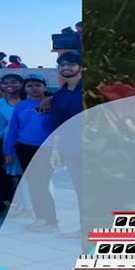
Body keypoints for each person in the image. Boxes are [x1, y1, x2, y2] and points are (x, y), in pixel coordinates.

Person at [3, 80, 56, 231]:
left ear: (45, 87)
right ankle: (41, 218)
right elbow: (13, 128)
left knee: (41, 183)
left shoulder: (53, 104)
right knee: (33, 183)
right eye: (30, 86)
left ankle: (49, 220)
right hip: (24, 147)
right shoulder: (21, 106)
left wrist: (51, 99)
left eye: (38, 85)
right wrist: (8, 150)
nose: (34, 88)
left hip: (46, 148)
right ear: (25, 89)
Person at [49, 51, 84, 236]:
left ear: (81, 66)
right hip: (71, 149)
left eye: (70, 63)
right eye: (61, 64)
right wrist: (55, 151)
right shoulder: (60, 95)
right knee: (80, 189)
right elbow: (58, 126)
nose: (66, 67)